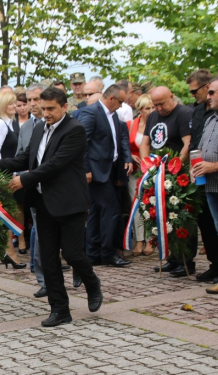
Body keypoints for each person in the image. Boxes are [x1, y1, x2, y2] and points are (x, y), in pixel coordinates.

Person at [0, 87, 103, 327]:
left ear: (65, 107)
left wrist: (24, 179)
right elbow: (25, 158)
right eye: (43, 109)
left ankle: (92, 282)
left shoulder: (74, 130)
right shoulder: (37, 129)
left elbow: (56, 164)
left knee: (73, 254)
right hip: (43, 203)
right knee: (48, 258)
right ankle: (60, 309)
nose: (46, 113)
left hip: (70, 202)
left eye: (51, 109)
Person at [140, 86, 194, 276]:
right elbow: (146, 142)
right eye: (155, 105)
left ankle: (186, 259)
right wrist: (147, 166)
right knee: (161, 216)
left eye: (162, 104)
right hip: (157, 172)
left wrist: (175, 167)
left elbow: (188, 144)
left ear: (172, 96)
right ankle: (172, 257)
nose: (159, 109)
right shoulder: (154, 116)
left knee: (180, 217)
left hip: (177, 173)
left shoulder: (184, 114)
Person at [77, 84, 133, 267]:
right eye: (121, 101)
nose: (122, 106)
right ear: (111, 98)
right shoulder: (91, 113)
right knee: (112, 210)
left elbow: (117, 140)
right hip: (95, 171)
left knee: (95, 212)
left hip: (109, 169)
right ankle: (108, 253)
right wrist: (85, 169)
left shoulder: (113, 115)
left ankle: (93, 253)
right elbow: (82, 142)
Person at [187, 70, 218, 282]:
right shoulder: (210, 119)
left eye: (212, 92)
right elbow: (199, 148)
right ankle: (217, 266)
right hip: (209, 187)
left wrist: (213, 166)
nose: (208, 96)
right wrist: (195, 167)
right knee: (215, 231)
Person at [17, 83, 48, 296]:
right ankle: (44, 279)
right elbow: (21, 155)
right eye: (29, 100)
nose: (33, 104)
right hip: (35, 190)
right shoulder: (27, 126)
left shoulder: (65, 124)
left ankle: (79, 271)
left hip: (57, 190)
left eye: (36, 99)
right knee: (39, 234)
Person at [0, 91, 27, 269]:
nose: (16, 106)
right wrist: (4, 175)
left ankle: (8, 251)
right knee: (5, 214)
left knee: (9, 214)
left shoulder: (9, 124)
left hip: (11, 172)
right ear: (4, 106)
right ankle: (9, 252)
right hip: (4, 175)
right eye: (12, 104)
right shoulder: (0, 124)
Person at [126, 94, 155, 256]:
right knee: (136, 205)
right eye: (147, 108)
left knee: (151, 204)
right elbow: (123, 145)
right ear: (139, 110)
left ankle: (151, 239)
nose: (151, 111)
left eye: (152, 107)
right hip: (135, 171)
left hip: (152, 170)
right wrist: (130, 156)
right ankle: (138, 240)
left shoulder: (157, 124)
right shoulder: (130, 125)